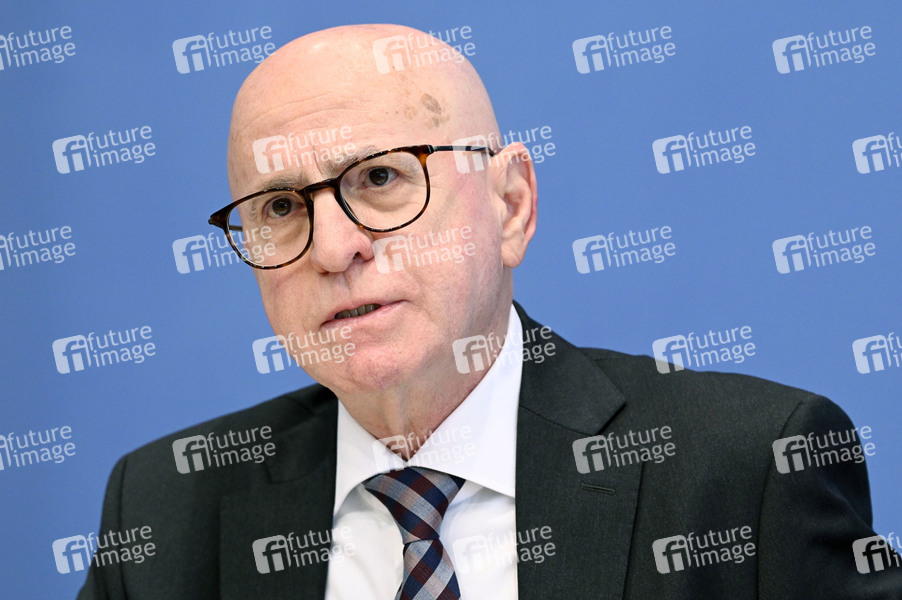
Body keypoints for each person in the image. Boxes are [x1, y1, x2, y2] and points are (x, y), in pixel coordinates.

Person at [78, 24, 902, 599]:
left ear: (511, 205)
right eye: (283, 207)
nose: (333, 248)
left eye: (380, 178)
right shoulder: (163, 507)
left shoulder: (747, 468)